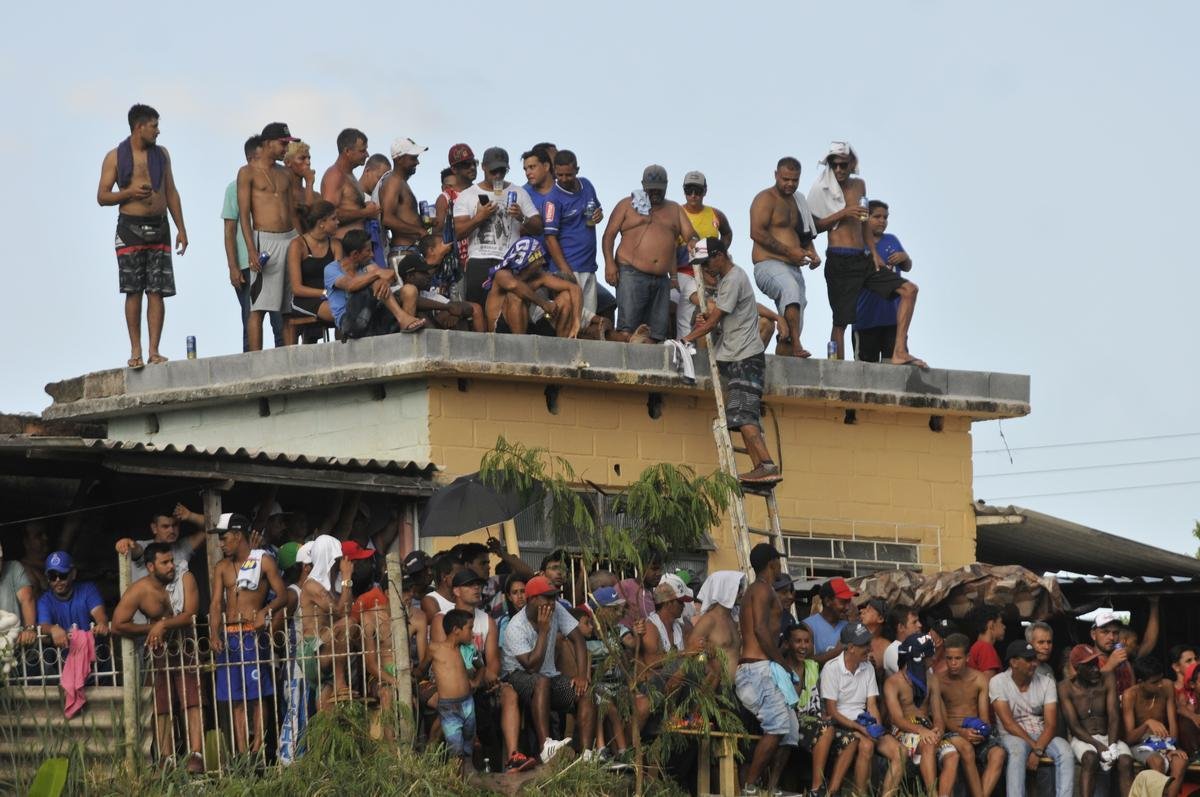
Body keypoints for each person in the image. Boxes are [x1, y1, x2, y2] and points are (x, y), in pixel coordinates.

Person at [808, 142, 924, 366]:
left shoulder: (859, 184)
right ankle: (837, 369)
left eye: (843, 165)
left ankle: (900, 350)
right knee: (840, 321)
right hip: (839, 257)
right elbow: (815, 227)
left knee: (909, 290)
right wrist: (844, 212)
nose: (839, 170)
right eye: (834, 166)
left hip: (863, 257)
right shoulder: (821, 188)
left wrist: (873, 253)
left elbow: (863, 225)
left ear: (852, 164)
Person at [681, 238, 781, 483]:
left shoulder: (735, 277)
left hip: (746, 358)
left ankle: (767, 464)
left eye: (707, 263)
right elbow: (718, 318)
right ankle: (760, 468)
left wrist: (686, 339)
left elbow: (714, 320)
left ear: (719, 256)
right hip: (738, 357)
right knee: (739, 417)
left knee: (745, 416)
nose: (706, 270)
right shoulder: (728, 280)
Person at [96, 104, 187, 368]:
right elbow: (102, 196)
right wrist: (129, 193)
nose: (158, 131)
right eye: (154, 126)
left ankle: (154, 350)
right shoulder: (115, 157)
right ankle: (135, 351)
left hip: (159, 227)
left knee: (157, 291)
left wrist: (181, 227)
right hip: (130, 229)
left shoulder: (162, 155)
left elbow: (171, 191)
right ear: (140, 127)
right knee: (133, 291)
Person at [111, 543, 204, 773]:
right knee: (160, 703)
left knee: (192, 699)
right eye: (165, 563)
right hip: (158, 651)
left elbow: (190, 613)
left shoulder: (185, 578)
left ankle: (196, 755)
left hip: (186, 645)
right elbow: (117, 624)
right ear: (151, 566)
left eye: (171, 560)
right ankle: (166, 757)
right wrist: (150, 630)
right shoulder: (140, 589)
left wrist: (161, 624)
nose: (171, 566)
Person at [431, 568, 526, 774]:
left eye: (478, 584)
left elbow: (492, 662)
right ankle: (437, 765)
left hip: (480, 681)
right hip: (450, 684)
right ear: (456, 590)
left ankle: (513, 758)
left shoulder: (487, 620)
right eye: (470, 585)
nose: (476, 588)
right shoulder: (442, 619)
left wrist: (485, 679)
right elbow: (444, 660)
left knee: (509, 694)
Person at [208, 512, 288, 754]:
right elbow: (215, 604)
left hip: (253, 634)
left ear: (238, 536)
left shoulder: (264, 561)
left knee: (257, 694)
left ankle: (259, 747)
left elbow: (283, 595)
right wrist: (213, 633)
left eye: (224, 538)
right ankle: (243, 751)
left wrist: (266, 610)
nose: (221, 544)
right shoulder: (222, 567)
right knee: (236, 696)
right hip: (229, 635)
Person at [499, 575, 594, 764]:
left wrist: (582, 675)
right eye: (547, 597)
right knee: (541, 680)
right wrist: (543, 631)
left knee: (586, 692)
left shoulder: (557, 609)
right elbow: (531, 666)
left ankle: (587, 755)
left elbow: (578, 640)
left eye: (554, 597)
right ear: (532, 599)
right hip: (518, 676)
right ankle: (545, 747)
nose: (552, 602)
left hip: (550, 676)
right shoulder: (515, 627)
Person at [601, 165, 697, 343]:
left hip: (661, 279)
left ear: (666, 186)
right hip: (631, 272)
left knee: (655, 334)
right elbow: (608, 235)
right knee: (626, 330)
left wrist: (693, 241)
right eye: (651, 190)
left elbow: (690, 234)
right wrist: (609, 263)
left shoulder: (675, 209)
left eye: (659, 191)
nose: (655, 194)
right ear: (643, 185)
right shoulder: (626, 204)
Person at [734, 544, 797, 794]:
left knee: (790, 731)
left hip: (763, 667)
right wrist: (782, 664)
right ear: (772, 563)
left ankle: (772, 787)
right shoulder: (760, 589)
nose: (780, 567)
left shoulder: (761, 589)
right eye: (778, 562)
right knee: (778, 725)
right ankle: (749, 788)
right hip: (756, 669)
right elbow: (760, 629)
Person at [823, 621, 906, 797]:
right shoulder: (831, 669)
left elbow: (872, 705)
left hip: (864, 723)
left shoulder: (867, 667)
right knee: (867, 745)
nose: (869, 648)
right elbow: (832, 712)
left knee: (901, 752)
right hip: (842, 724)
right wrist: (861, 729)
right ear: (851, 647)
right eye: (864, 645)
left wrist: (875, 727)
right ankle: (858, 794)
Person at [750, 157, 821, 358]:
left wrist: (813, 254)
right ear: (776, 175)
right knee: (790, 290)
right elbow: (756, 232)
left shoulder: (799, 201)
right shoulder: (765, 198)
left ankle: (787, 351)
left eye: (794, 180)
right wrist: (789, 252)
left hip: (793, 268)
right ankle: (798, 345)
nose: (790, 184)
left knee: (796, 313)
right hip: (768, 264)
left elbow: (805, 236)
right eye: (785, 179)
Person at [238, 122, 299, 352]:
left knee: (289, 306)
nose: (286, 148)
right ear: (267, 143)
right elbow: (244, 216)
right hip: (265, 239)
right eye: (283, 144)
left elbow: (292, 211)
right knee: (259, 305)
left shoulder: (285, 173)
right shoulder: (247, 172)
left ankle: (288, 355)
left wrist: (302, 241)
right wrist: (251, 251)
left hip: (290, 238)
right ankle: (256, 359)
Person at [454, 147, 543, 307]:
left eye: (502, 171)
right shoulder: (468, 195)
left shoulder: (519, 192)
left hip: (509, 260)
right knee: (478, 310)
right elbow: (458, 233)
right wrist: (479, 218)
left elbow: (539, 227)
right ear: (483, 167)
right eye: (493, 171)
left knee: (510, 308)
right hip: (479, 261)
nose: (498, 175)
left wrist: (521, 217)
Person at [989, 640, 1073, 797]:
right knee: (1018, 751)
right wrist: (1035, 747)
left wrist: (1038, 749)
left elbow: (1051, 724)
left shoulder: (1046, 681)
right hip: (1011, 735)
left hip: (1041, 735)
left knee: (1066, 751)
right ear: (1013, 662)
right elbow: (1008, 723)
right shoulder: (998, 681)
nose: (1034, 663)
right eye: (1028, 660)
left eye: (1034, 659)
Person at [224, 136, 282, 351]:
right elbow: (229, 230)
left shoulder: (275, 181)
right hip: (247, 263)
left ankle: (283, 365)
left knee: (280, 320)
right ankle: (252, 367)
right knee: (250, 317)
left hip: (274, 260)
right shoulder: (234, 188)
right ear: (250, 159)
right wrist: (233, 267)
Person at [884, 633, 960, 797]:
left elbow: (938, 716)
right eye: (929, 656)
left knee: (952, 755)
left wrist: (938, 730)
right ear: (918, 658)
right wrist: (921, 731)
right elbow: (897, 719)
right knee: (929, 744)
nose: (933, 659)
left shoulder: (932, 680)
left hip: (928, 730)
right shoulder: (893, 682)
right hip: (904, 732)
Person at [932, 633, 1006, 797]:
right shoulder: (937, 681)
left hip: (974, 729)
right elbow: (942, 719)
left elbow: (984, 717)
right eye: (949, 658)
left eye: (957, 658)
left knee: (998, 754)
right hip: (951, 732)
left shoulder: (979, 679)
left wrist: (980, 732)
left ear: (967, 657)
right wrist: (962, 732)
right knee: (966, 749)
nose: (952, 663)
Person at [545, 150, 609, 339]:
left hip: (588, 266)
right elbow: (550, 238)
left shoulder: (587, 185)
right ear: (554, 172)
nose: (564, 179)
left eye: (569, 174)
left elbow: (598, 210)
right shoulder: (552, 199)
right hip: (568, 267)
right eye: (560, 175)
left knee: (585, 321)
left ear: (577, 170)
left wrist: (599, 215)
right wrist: (566, 272)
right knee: (571, 318)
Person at [1060, 644, 1134, 797]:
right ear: (1077, 668)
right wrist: (1098, 746)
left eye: (1095, 664)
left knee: (1126, 761)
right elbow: (1074, 726)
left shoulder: (1108, 678)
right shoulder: (1065, 687)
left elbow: (1114, 715)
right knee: (1090, 758)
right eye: (1089, 666)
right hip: (1083, 739)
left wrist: (1112, 745)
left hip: (1108, 736)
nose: (1095, 669)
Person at [783, 622, 847, 797]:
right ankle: (816, 789)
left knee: (851, 738)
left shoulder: (812, 666)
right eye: (798, 641)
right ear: (788, 644)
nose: (803, 646)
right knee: (826, 729)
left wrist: (824, 714)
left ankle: (831, 791)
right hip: (791, 720)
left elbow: (818, 699)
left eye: (807, 641)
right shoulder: (781, 668)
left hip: (813, 719)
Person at [323, 229, 424, 338]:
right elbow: (350, 285)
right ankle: (402, 318)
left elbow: (390, 275)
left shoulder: (367, 264)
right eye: (368, 251)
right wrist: (377, 276)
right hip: (350, 323)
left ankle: (406, 333)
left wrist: (382, 280)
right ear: (355, 254)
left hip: (372, 318)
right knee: (375, 282)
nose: (372, 254)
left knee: (410, 290)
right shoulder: (331, 269)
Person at [672, 170, 732, 340]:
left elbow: (727, 233)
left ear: (705, 191)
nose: (693, 195)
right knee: (684, 307)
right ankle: (683, 343)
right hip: (685, 271)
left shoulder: (715, 214)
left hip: (712, 272)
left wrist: (721, 253)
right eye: (689, 190)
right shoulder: (676, 212)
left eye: (697, 191)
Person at [483, 237, 582, 337]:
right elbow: (514, 285)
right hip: (502, 334)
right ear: (527, 260)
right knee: (515, 295)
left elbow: (574, 288)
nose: (542, 262)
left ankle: (562, 344)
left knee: (566, 297)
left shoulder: (539, 276)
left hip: (528, 329)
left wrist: (576, 322)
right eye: (539, 259)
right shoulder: (502, 274)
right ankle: (521, 345)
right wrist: (543, 304)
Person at [853, 201, 913, 362]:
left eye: (885, 217)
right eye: (877, 216)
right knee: (866, 372)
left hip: (893, 320)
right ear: (866, 218)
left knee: (894, 370)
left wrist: (905, 257)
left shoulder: (892, 240)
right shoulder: (858, 242)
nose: (882, 221)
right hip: (866, 320)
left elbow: (907, 267)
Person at [1123, 656, 1187, 797]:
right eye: (1154, 682)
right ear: (1141, 682)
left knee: (1180, 761)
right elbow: (1129, 738)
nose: (1159, 685)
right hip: (1140, 743)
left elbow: (1172, 722)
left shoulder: (1167, 686)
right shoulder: (1130, 695)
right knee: (1156, 761)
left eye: (1160, 679)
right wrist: (1147, 724)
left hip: (1165, 741)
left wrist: (1171, 747)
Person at [428, 609, 482, 776]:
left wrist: (476, 682)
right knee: (455, 748)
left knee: (468, 744)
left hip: (468, 703)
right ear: (456, 630)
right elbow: (422, 667)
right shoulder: (435, 649)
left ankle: (464, 779)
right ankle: (455, 782)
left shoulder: (469, 650)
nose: (472, 633)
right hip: (448, 707)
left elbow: (481, 666)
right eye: (470, 628)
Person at [284, 199, 340, 341]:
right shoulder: (297, 245)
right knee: (338, 310)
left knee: (351, 307)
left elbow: (339, 277)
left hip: (330, 296)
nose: (338, 222)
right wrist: (324, 293)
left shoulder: (335, 244)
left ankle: (343, 352)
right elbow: (296, 288)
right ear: (321, 223)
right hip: (305, 299)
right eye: (334, 219)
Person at [36, 551, 108, 647]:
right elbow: (43, 625)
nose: (57, 580)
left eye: (62, 575)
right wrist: (52, 629)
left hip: (94, 653)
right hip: (62, 657)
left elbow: (99, 613)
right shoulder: (44, 601)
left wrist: (102, 623)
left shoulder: (88, 589)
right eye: (52, 576)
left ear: (73, 574)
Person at [320, 128, 380, 240]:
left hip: (359, 248)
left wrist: (365, 207)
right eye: (362, 151)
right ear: (347, 151)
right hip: (343, 247)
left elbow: (350, 206)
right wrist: (365, 212)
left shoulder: (350, 175)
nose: (367, 155)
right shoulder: (335, 176)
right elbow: (328, 215)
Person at [380, 137, 430, 266]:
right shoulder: (393, 182)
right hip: (402, 254)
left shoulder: (400, 182)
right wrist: (419, 231)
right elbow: (387, 218)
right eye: (413, 158)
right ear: (399, 159)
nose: (417, 162)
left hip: (409, 252)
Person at [803, 576, 855, 663]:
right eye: (843, 602)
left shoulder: (848, 626)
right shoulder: (809, 626)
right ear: (827, 601)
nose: (847, 607)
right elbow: (806, 663)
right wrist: (837, 651)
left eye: (849, 602)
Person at [1091, 610, 1136, 700]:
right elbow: (1087, 695)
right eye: (1105, 632)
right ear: (1093, 635)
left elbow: (1133, 691)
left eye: (1115, 633)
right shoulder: (1085, 659)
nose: (1111, 637)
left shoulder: (1124, 661)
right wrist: (1110, 666)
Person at [883, 604, 923, 676]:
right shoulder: (893, 650)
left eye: (918, 621)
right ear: (901, 627)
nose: (920, 625)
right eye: (914, 622)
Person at [969, 605, 1005, 677]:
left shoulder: (978, 646)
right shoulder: (985, 648)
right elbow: (988, 685)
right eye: (1001, 622)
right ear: (991, 625)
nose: (1004, 626)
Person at [283, 141, 316, 218]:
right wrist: (309, 183)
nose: (308, 162)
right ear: (288, 162)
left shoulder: (315, 195)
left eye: (309, 158)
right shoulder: (282, 193)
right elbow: (307, 217)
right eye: (302, 158)